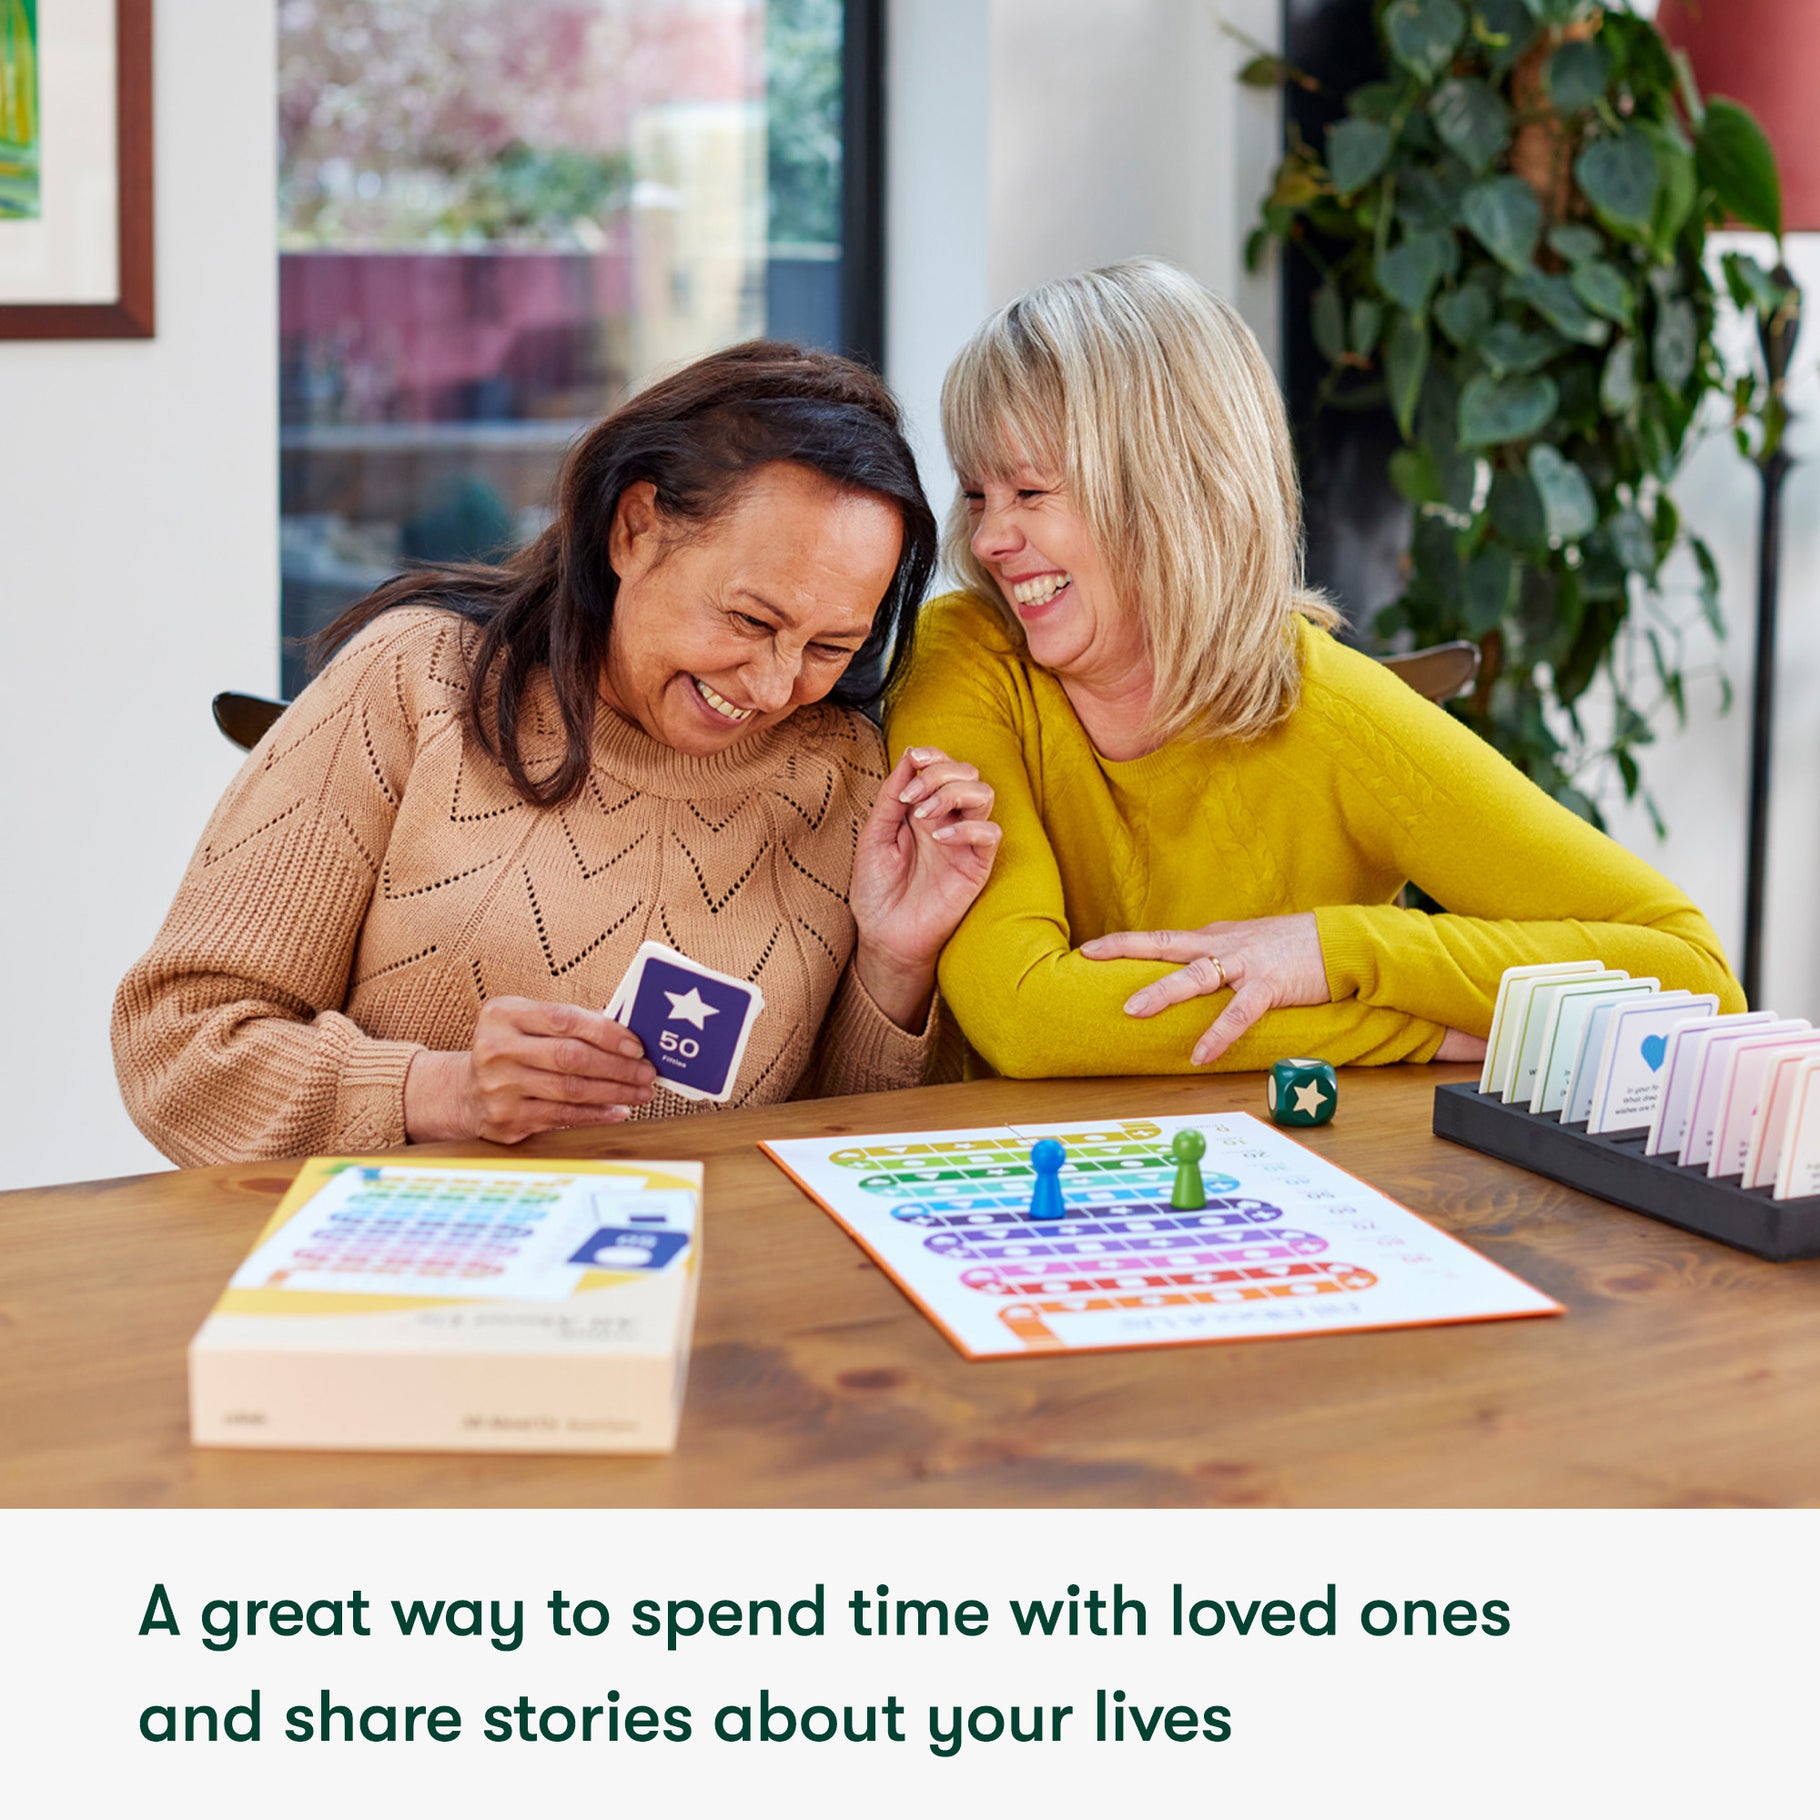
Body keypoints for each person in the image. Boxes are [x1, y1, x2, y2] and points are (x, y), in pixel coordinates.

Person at [115, 342, 1000, 1165]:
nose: (773, 687)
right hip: (394, 1283)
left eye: (829, 647)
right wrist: (441, 1092)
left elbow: (836, 1151)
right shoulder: (416, 679)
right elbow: (178, 1043)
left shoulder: (846, 772)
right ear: (635, 529)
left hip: (709, 1297)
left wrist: (894, 963)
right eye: (751, 620)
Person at [885, 260, 1742, 1078]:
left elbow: (1693, 977)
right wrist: (1405, 1026)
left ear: (1171, 487)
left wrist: (1337, 950)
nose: (991, 539)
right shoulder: (965, 655)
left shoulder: (1330, 707)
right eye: (976, 494)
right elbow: (1030, 1016)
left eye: (1031, 493)